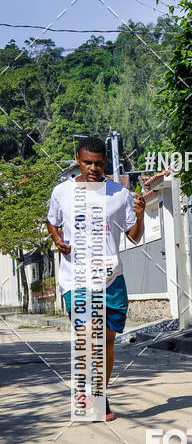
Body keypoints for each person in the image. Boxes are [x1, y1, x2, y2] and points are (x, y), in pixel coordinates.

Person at [46, 136, 146, 420]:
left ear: (106, 162)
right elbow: (52, 221)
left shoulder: (119, 193)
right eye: (88, 162)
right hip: (76, 278)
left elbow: (134, 236)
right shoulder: (62, 192)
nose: (93, 168)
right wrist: (57, 239)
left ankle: (98, 394)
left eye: (99, 163)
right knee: (89, 331)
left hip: (111, 278)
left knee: (108, 341)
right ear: (78, 159)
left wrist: (139, 215)